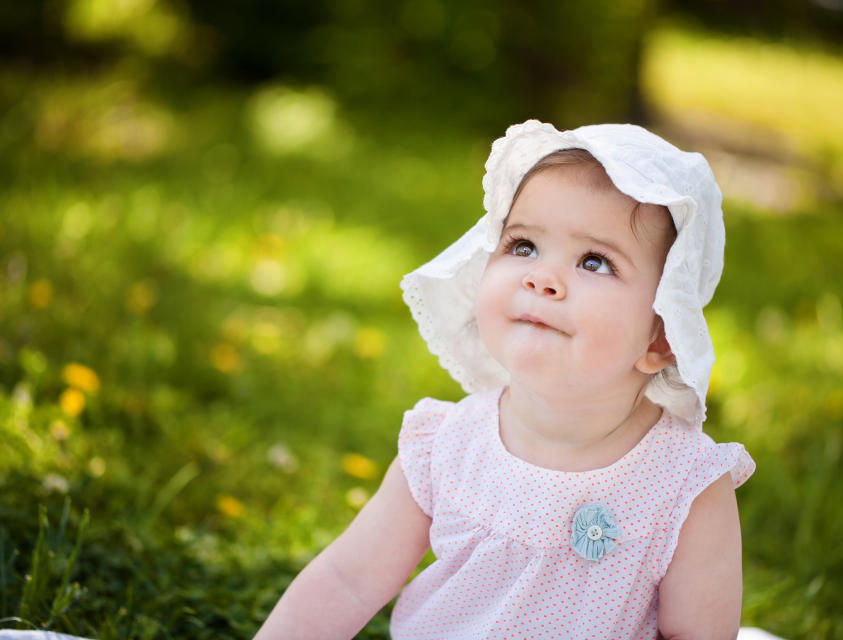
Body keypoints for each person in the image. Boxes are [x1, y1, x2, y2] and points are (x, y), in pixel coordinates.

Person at [254, 120, 757, 640]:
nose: (541, 277)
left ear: (660, 337)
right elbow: (347, 581)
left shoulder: (685, 485)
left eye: (594, 261)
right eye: (522, 246)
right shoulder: (446, 445)